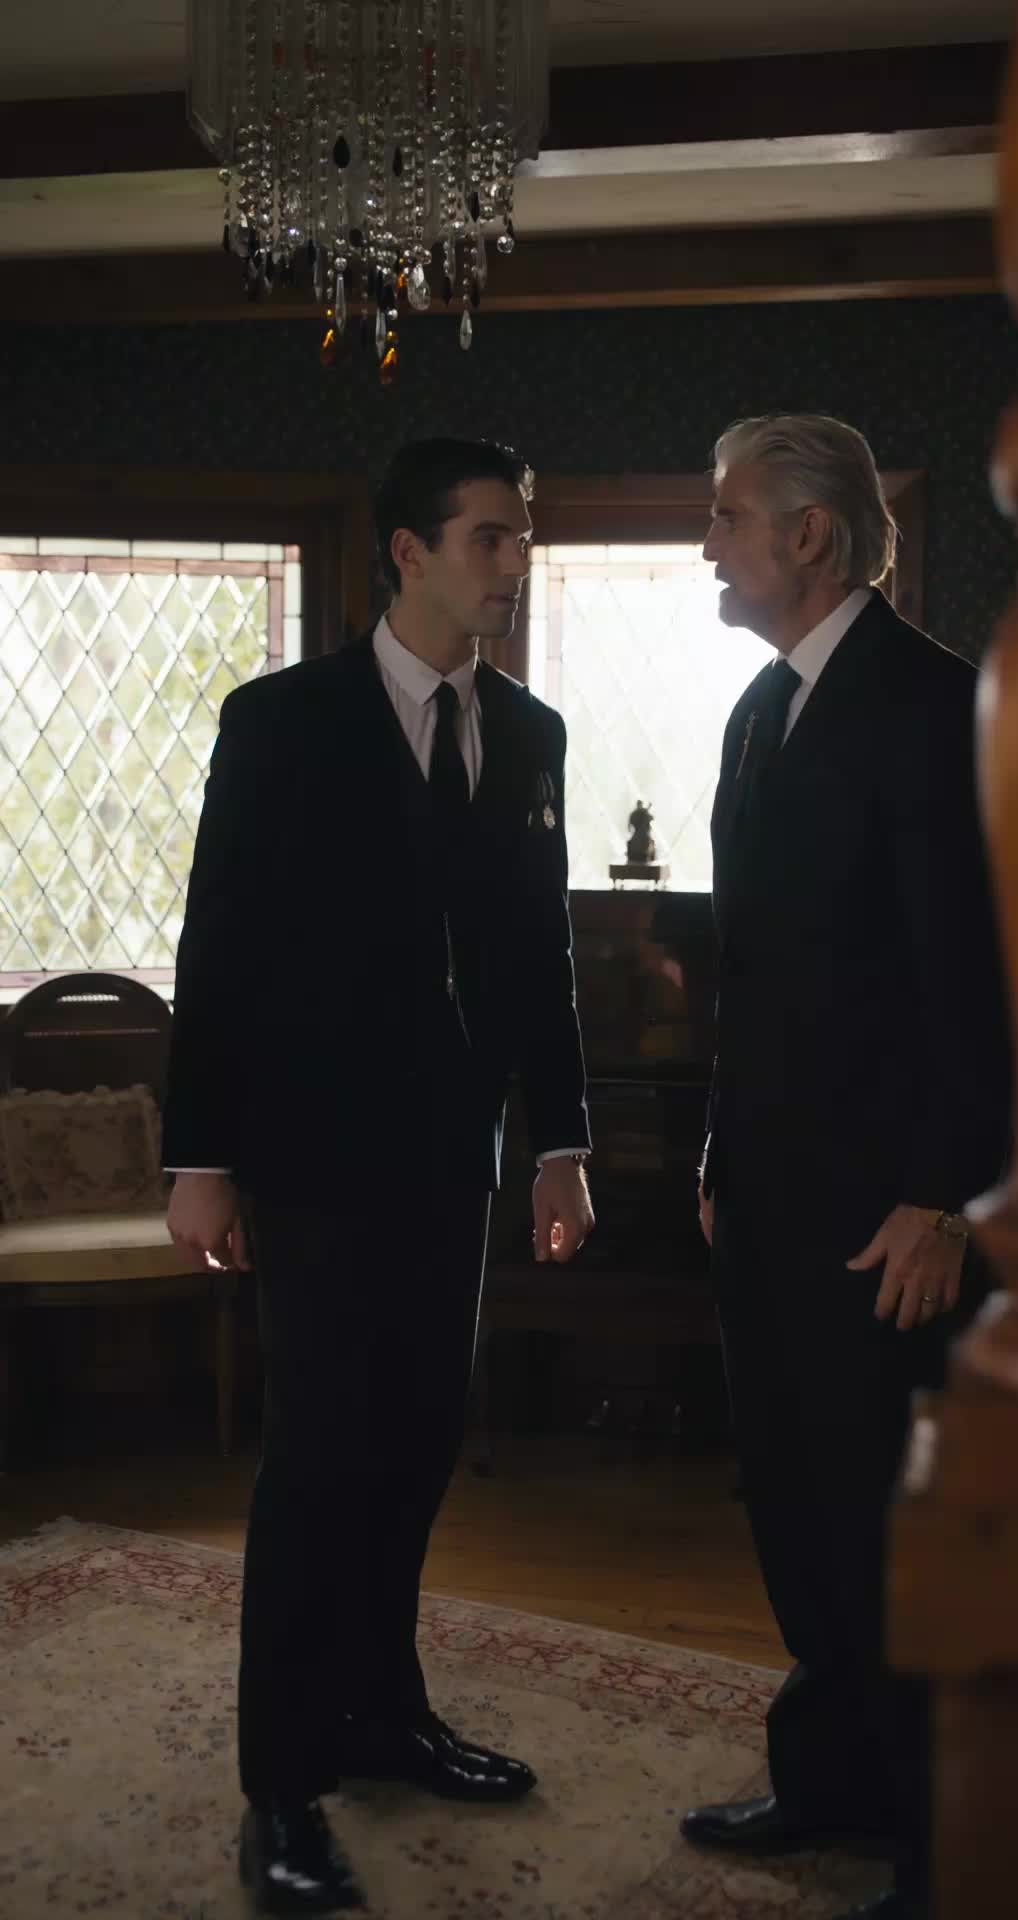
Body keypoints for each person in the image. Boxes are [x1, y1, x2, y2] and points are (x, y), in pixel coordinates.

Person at [163, 437, 594, 1915]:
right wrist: (201, 1158)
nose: (512, 563)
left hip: (454, 1164)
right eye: (487, 538)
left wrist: (560, 1144)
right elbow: (217, 941)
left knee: (417, 1441)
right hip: (307, 1160)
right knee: (320, 1457)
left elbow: (537, 956)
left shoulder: (528, 732)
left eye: (521, 538)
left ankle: (383, 1711)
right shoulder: (281, 721)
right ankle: (282, 1788)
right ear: (408, 552)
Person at [680, 414, 1011, 1920]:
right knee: (798, 1510)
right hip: (766, 1197)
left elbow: (979, 977)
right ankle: (827, 1782)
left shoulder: (937, 704)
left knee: (890, 1532)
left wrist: (943, 1196)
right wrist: (718, 1152)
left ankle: (938, 1854)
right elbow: (751, 973)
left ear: (810, 535)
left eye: (728, 516)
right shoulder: (760, 711)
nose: (709, 543)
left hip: (892, 1216)